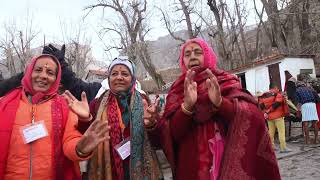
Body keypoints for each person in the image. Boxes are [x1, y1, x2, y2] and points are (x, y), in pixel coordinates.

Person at [147, 38, 281, 180]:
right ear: (182, 61)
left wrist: (220, 103)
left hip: (227, 163)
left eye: (198, 52)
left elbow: (253, 117)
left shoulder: (226, 81)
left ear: (208, 55)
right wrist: (186, 107)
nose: (192, 56)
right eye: (187, 54)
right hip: (190, 169)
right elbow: (172, 134)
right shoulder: (177, 90)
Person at [0, 54, 110, 179]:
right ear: (29, 72)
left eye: (50, 72)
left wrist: (80, 148)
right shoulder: (4, 104)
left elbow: (70, 141)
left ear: (56, 78)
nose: (43, 76)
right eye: (38, 70)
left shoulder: (64, 107)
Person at [64, 57, 162, 180]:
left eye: (125, 74)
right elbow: (89, 136)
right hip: (109, 170)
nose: (119, 77)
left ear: (132, 79)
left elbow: (158, 141)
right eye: (114, 74)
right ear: (109, 79)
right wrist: (85, 119)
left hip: (141, 170)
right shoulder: (98, 103)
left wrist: (151, 125)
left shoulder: (144, 101)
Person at [259, 84, 290, 153]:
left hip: (269, 117)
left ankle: (271, 146)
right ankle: (283, 147)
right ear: (275, 87)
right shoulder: (278, 94)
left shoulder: (263, 95)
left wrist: (265, 113)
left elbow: (261, 106)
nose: (278, 89)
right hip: (278, 116)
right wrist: (268, 111)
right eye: (277, 88)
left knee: (271, 132)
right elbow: (277, 104)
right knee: (281, 132)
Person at [295, 75, 319, 144]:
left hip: (305, 105)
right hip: (312, 104)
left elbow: (298, 102)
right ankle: (316, 139)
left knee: (306, 123)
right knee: (314, 122)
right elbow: (317, 97)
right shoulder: (309, 88)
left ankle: (308, 140)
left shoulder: (297, 90)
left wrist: (298, 111)